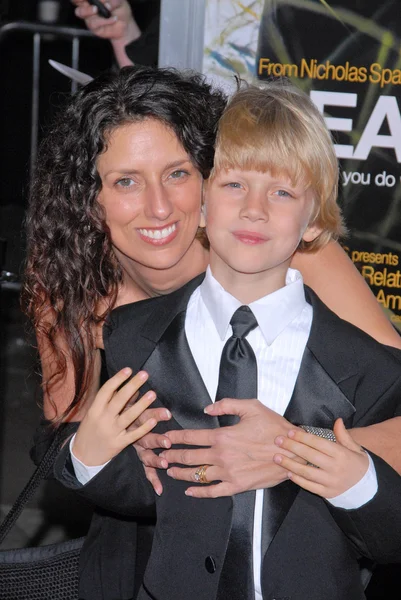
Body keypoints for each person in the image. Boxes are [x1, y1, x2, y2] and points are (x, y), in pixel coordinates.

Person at [24, 66, 401, 597]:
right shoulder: (71, 282)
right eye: (126, 181)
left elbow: (388, 396)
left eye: (177, 173)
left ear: (205, 177)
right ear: (91, 198)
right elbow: (65, 434)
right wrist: (96, 449)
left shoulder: (280, 245)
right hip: (147, 539)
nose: (158, 207)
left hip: (291, 538)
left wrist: (286, 449)